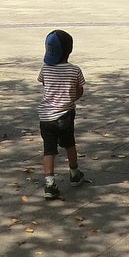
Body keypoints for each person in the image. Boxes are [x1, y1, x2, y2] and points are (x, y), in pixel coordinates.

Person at [37, 29, 86, 200]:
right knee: (69, 144)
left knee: (48, 150)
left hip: (45, 117)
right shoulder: (75, 70)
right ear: (69, 50)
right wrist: (71, 99)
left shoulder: (45, 69)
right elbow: (79, 90)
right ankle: (74, 173)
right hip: (66, 115)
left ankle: (50, 183)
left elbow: (44, 84)